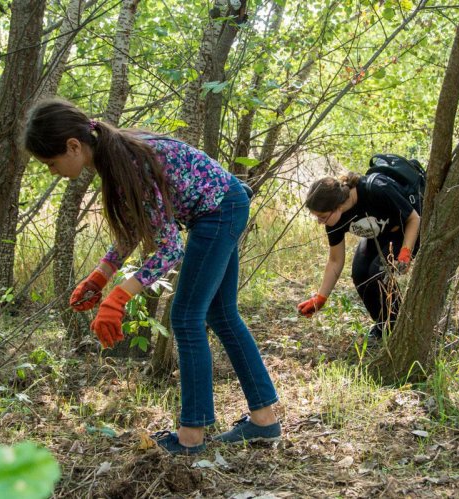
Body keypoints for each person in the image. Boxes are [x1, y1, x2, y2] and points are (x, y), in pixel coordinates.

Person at [23, 98, 280, 455]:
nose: (52, 170)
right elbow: (133, 230)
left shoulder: (130, 161)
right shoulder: (113, 158)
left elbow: (170, 249)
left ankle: (192, 435)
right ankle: (264, 420)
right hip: (225, 204)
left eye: (51, 163)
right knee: (220, 314)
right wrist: (100, 277)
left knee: (186, 317)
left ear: (73, 146)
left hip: (219, 210)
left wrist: (118, 298)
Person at [297, 172, 420, 341]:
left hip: (407, 232)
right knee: (360, 274)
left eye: (322, 217)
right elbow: (335, 261)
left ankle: (401, 327)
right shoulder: (334, 219)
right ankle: (384, 327)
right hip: (378, 235)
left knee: (376, 273)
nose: (319, 222)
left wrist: (405, 253)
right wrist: (320, 298)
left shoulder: (376, 190)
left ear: (338, 206)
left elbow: (414, 219)